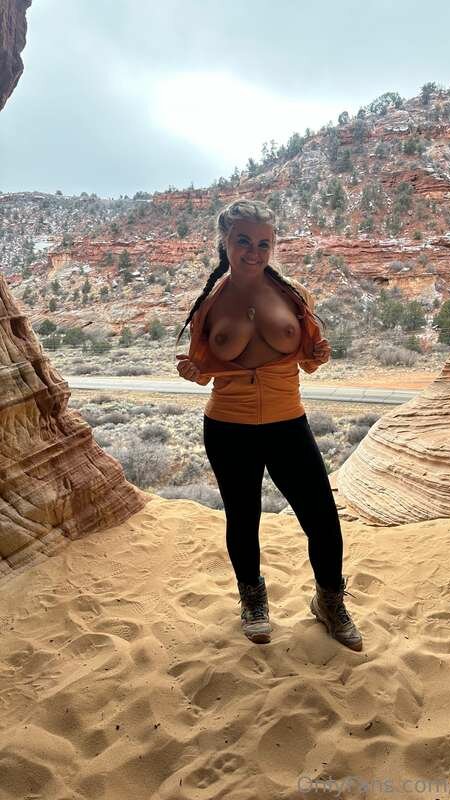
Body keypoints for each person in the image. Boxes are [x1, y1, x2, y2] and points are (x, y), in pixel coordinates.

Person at [174, 199, 362, 651]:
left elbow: (310, 359)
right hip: (228, 427)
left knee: (322, 519)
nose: (254, 252)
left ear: (273, 246)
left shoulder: (293, 294)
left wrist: (319, 356)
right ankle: (253, 600)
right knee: (243, 518)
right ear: (224, 242)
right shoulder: (209, 303)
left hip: (287, 423)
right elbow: (202, 369)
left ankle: (329, 601)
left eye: (264, 243)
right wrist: (192, 372)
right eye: (243, 241)